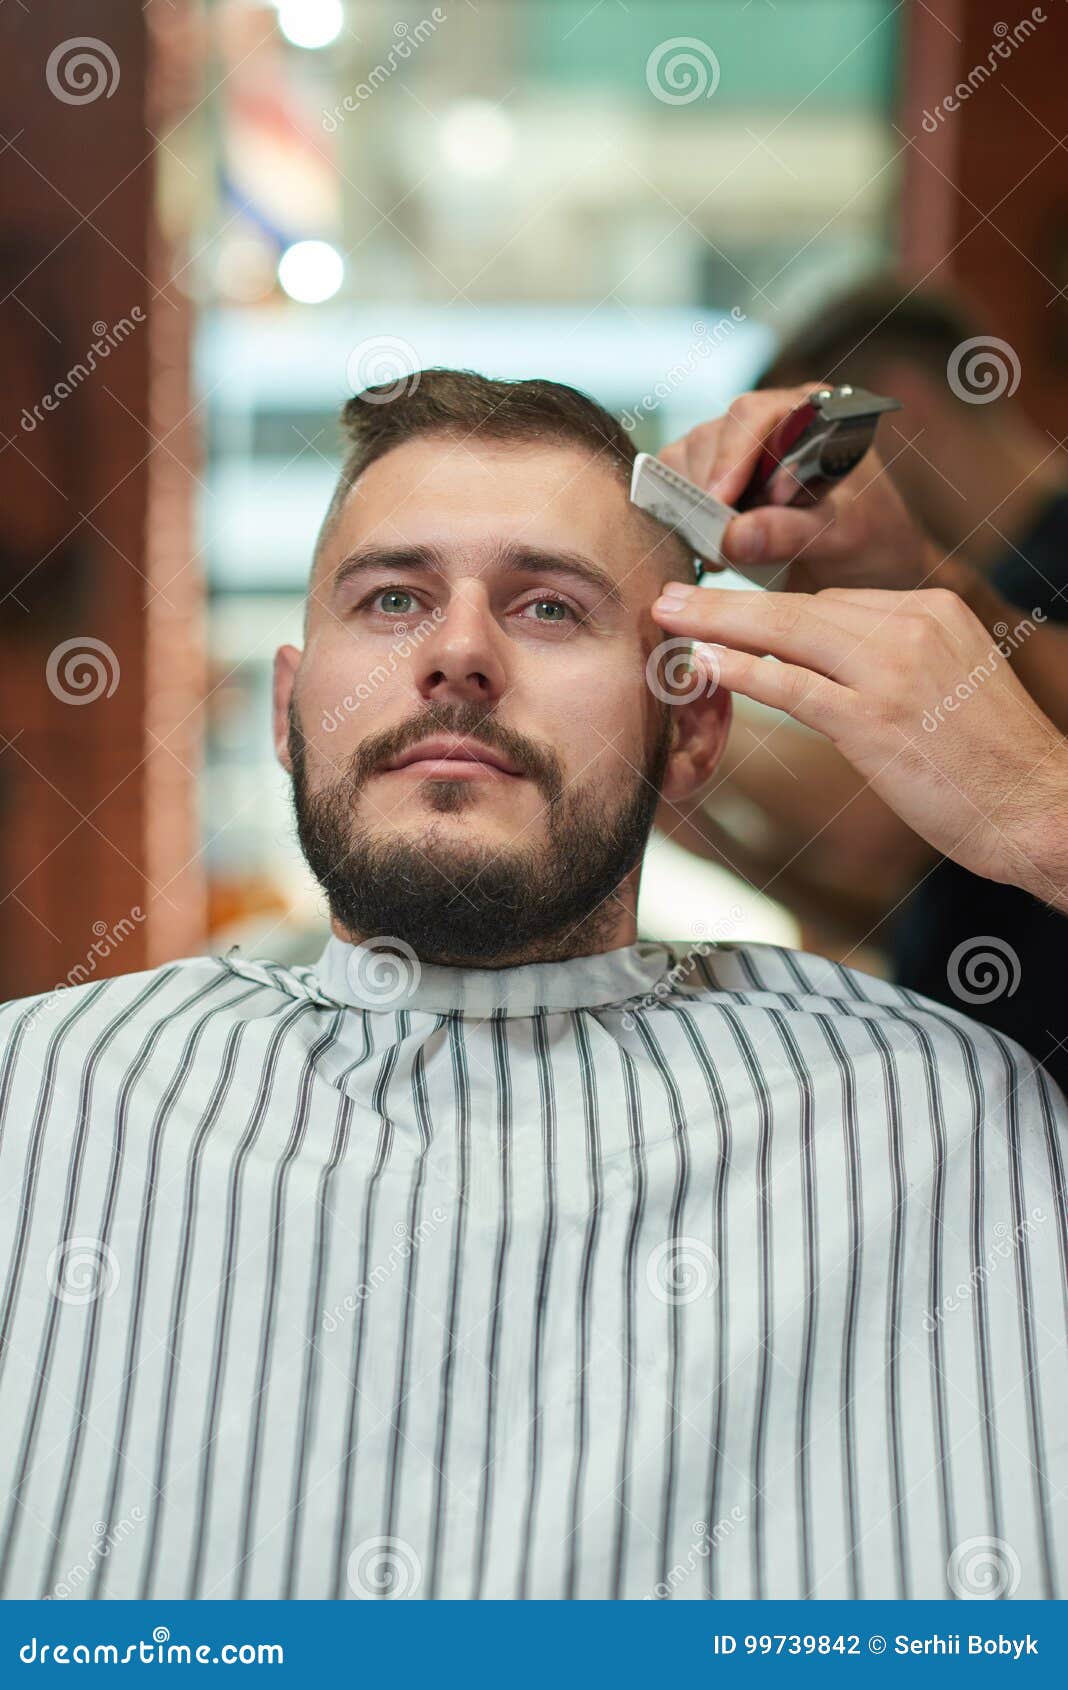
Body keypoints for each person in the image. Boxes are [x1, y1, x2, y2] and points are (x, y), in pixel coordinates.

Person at [0, 371, 1063, 1603]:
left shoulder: (942, 1118)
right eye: (394, 598)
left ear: (695, 729)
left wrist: (1046, 819)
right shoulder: (35, 1102)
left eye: (550, 607)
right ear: (293, 711)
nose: (459, 654)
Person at [661, 280, 1068, 1086]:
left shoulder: (1037, 570)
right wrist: (696, 817)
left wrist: (663, 705)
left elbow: (871, 832)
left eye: (816, 470)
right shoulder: (988, 578)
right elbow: (896, 908)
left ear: (903, 406)